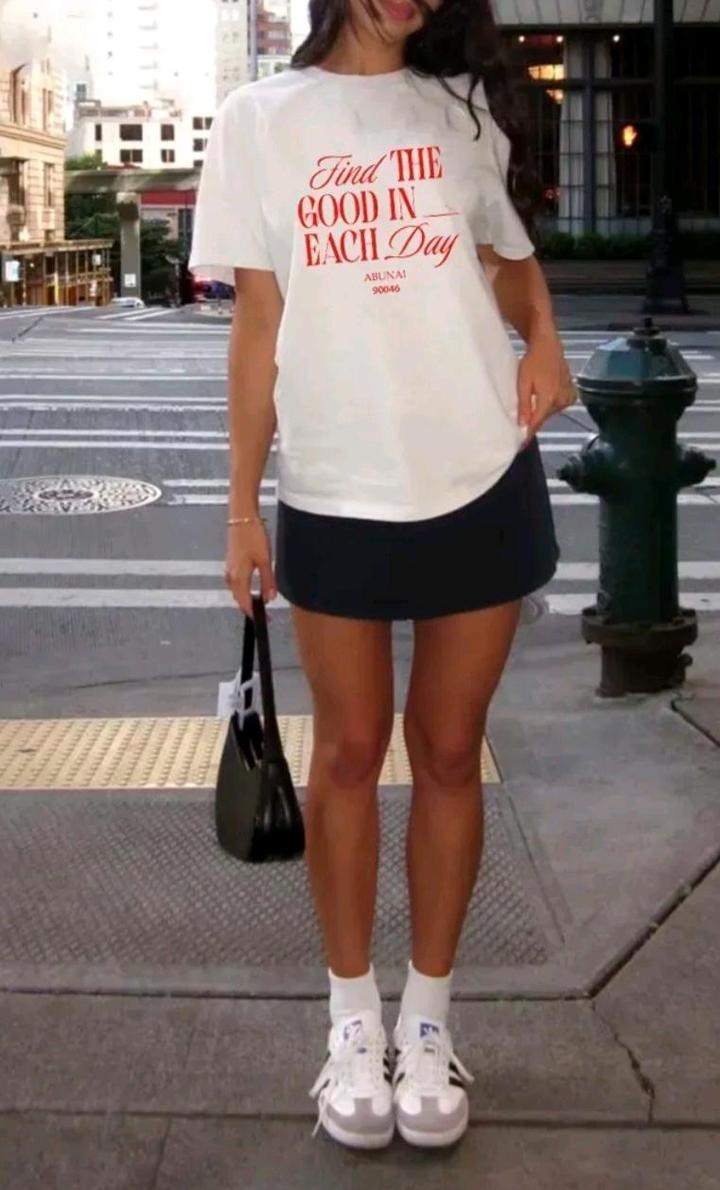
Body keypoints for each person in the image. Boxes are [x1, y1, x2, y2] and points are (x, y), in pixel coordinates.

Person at [189, 0, 576, 1154]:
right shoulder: (261, 117)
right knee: (350, 752)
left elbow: (506, 260)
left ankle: (430, 1018)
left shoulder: (464, 107)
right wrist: (242, 510)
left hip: (478, 469)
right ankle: (352, 1020)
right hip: (337, 483)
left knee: (451, 752)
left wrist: (547, 337)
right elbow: (258, 326)